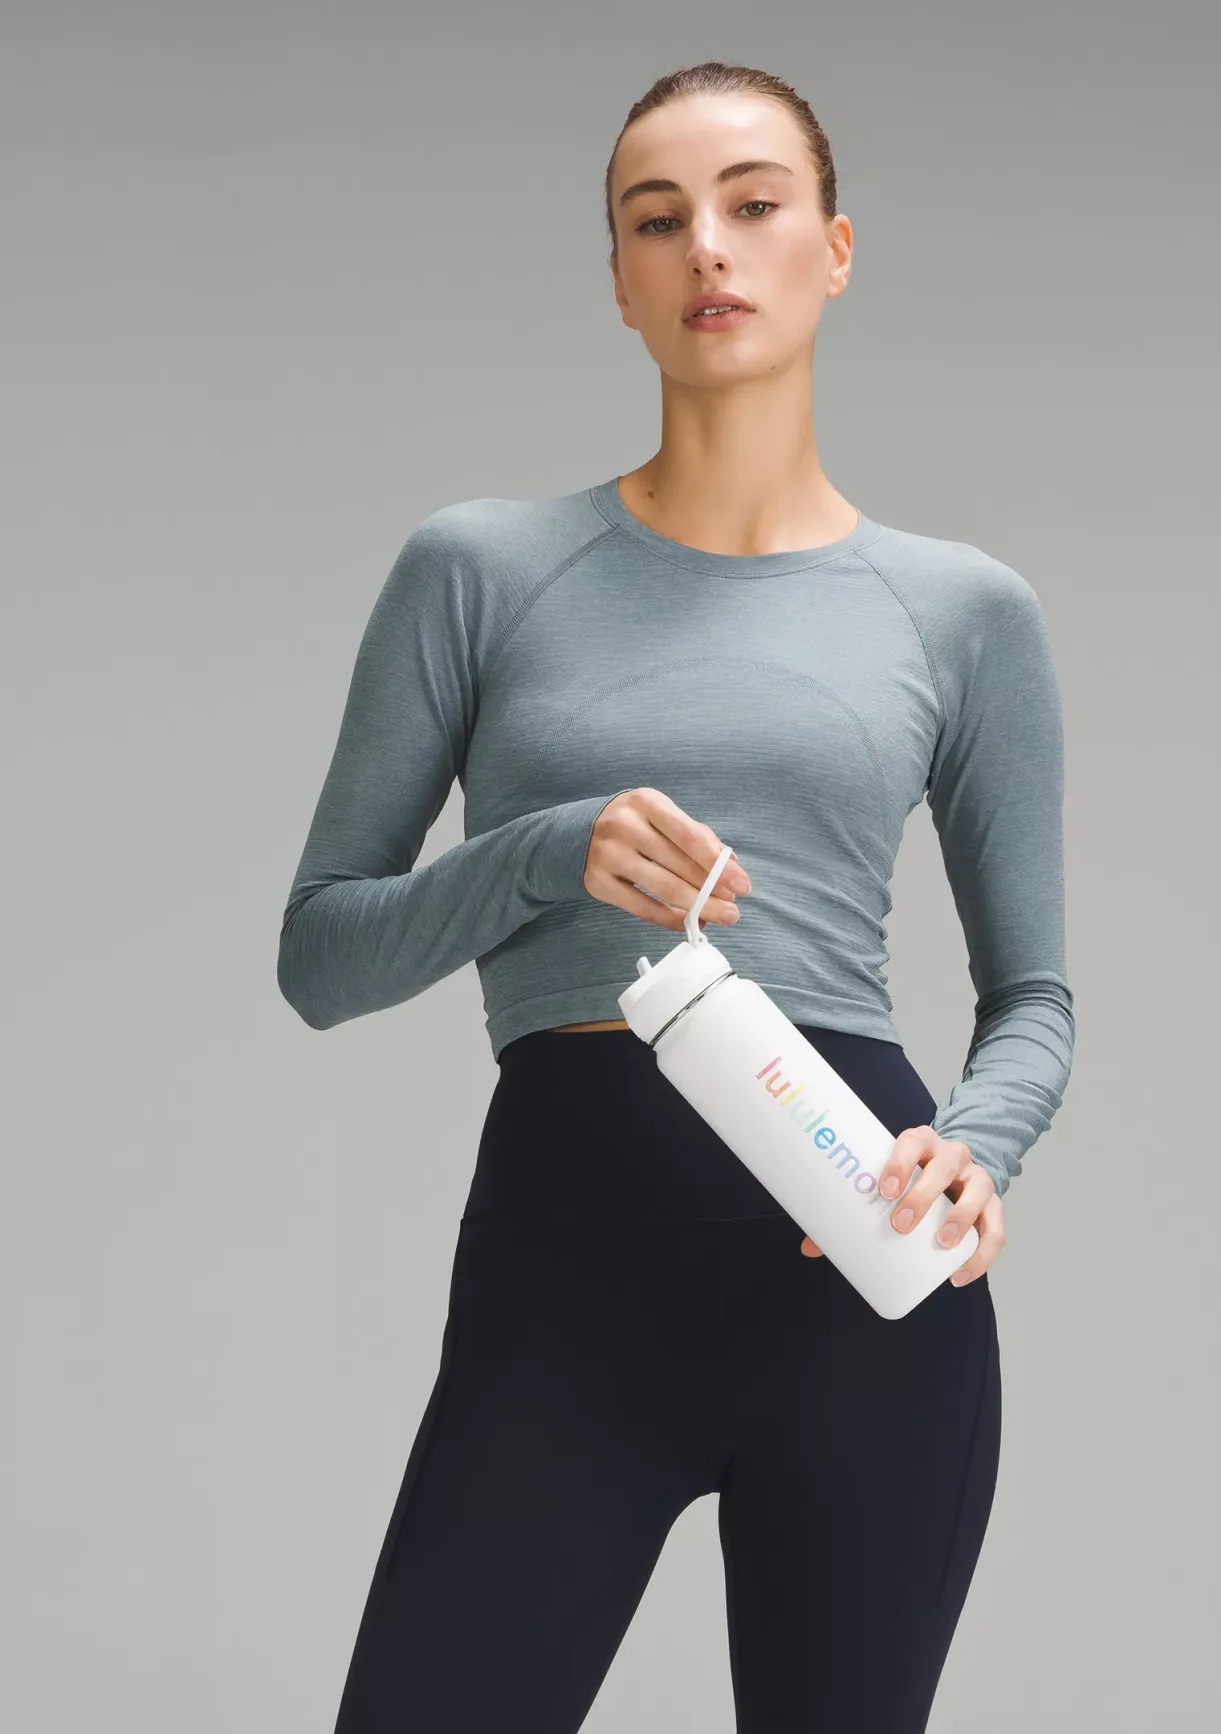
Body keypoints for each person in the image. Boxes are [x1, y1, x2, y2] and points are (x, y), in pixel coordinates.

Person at [278, 59, 1076, 1734]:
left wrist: (978, 1150)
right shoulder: (480, 570)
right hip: (565, 1287)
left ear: (834, 249)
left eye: (753, 203)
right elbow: (321, 953)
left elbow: (1033, 1001)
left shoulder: (961, 611)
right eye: (659, 219)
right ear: (622, 282)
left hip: (859, 1274)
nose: (707, 244)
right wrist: (541, 851)